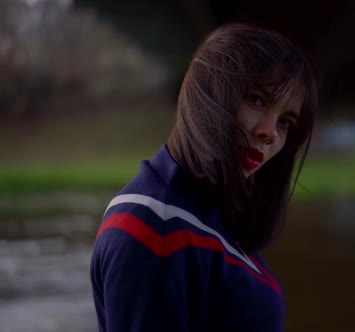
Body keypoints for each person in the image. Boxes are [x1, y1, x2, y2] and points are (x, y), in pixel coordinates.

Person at [90, 23, 319, 332]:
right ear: (209, 93)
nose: (269, 132)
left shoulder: (206, 215)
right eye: (256, 100)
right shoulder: (156, 227)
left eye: (286, 122)